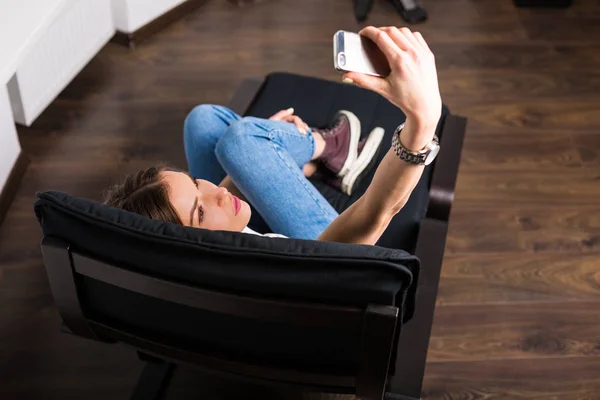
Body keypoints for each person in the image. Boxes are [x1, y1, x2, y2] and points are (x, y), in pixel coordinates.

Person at [104, 26, 442, 246]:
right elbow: (375, 213)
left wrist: (261, 152)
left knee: (204, 122)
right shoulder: (279, 262)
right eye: (201, 213)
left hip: (250, 232)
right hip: (319, 242)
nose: (215, 193)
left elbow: (215, 196)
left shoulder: (202, 259)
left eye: (195, 185)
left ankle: (305, 159)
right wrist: (423, 120)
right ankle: (331, 147)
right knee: (242, 139)